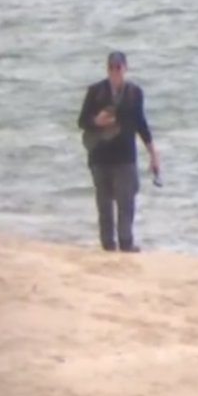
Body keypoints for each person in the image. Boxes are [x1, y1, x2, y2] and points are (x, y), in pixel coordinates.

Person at [77, 51, 160, 253]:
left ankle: (126, 242)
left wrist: (153, 154)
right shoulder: (96, 91)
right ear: (107, 69)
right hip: (100, 156)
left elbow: (141, 124)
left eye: (118, 67)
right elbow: (81, 121)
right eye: (111, 68)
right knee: (104, 203)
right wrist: (96, 121)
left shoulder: (134, 93)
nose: (115, 72)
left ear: (125, 68)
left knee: (126, 201)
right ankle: (107, 244)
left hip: (125, 157)